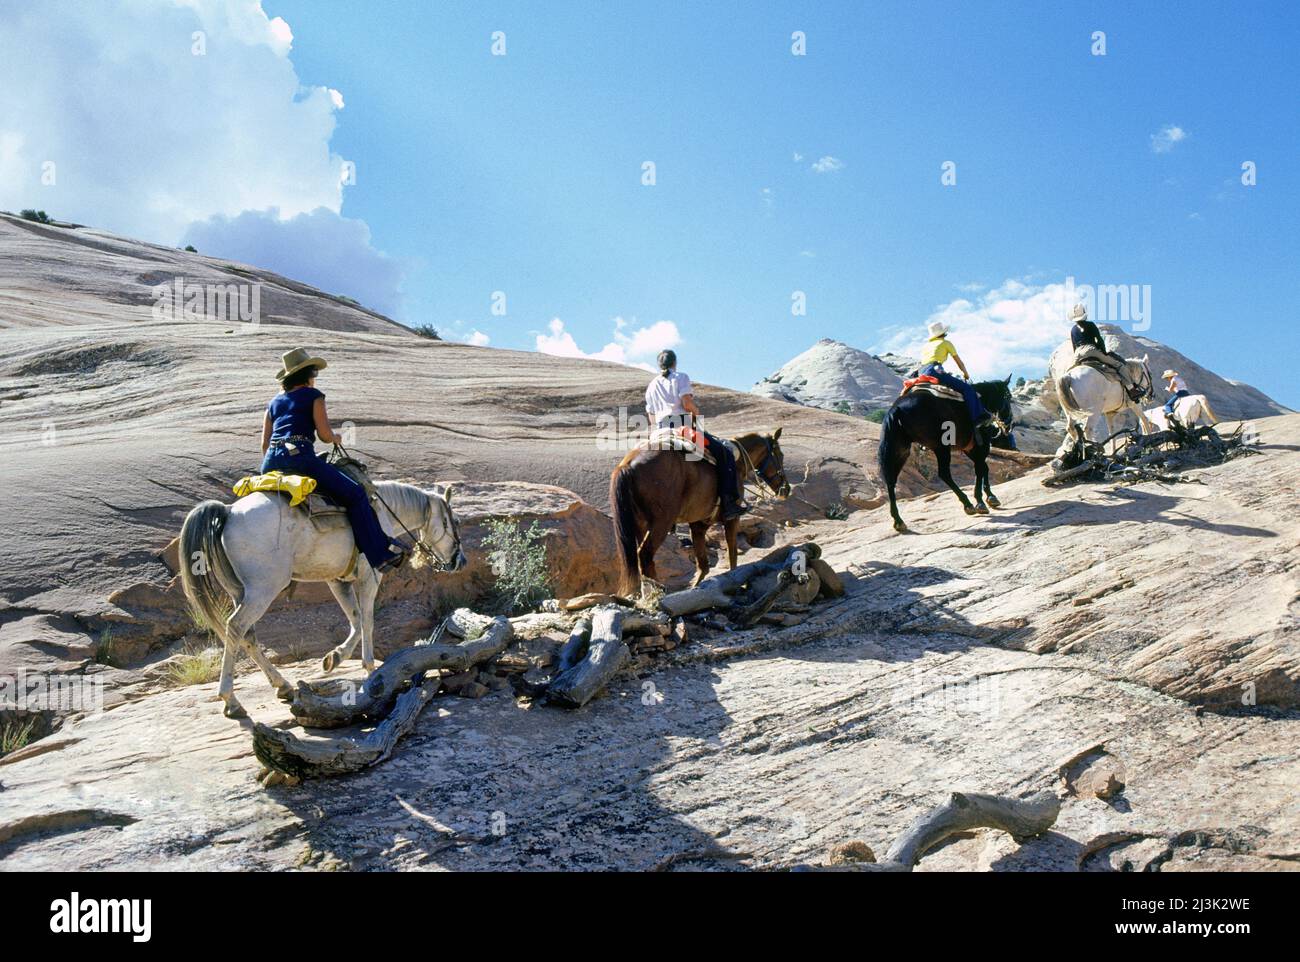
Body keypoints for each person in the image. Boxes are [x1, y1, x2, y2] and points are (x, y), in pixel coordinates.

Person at [260, 348, 408, 573]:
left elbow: (264, 444)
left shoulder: (272, 404)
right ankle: (380, 555)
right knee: (356, 494)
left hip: (270, 463)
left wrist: (278, 462)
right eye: (314, 373)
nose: (314, 378)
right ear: (307, 376)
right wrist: (336, 437)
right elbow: (325, 435)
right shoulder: (314, 396)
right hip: (301, 458)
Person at [644, 349, 748, 520]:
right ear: (674, 363)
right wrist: (696, 411)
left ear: (659, 364)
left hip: (660, 430)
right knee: (724, 453)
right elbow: (687, 403)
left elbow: (651, 417)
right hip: (683, 428)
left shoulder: (651, 386)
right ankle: (729, 503)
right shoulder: (680, 377)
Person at [917, 321, 995, 433]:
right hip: (935, 370)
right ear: (944, 333)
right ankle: (976, 418)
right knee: (967, 389)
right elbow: (959, 362)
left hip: (922, 371)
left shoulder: (926, 346)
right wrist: (965, 374)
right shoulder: (946, 343)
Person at [1069, 303, 1137, 395]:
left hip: (1078, 354)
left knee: (1070, 371)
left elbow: (1074, 346)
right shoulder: (1090, 324)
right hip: (1091, 350)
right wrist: (1103, 352)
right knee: (1119, 365)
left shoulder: (1073, 329)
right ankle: (1131, 389)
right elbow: (1099, 339)